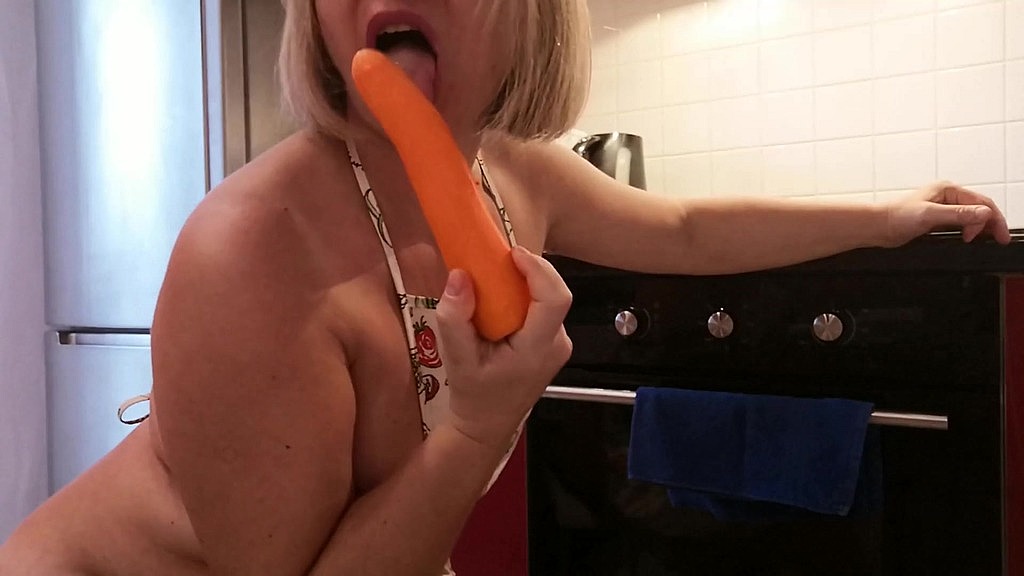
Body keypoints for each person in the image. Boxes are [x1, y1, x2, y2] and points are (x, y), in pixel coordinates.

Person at [0, 1, 1011, 575]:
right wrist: (478, 428)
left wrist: (884, 216)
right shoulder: (253, 250)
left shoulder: (511, 174)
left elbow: (685, 228)